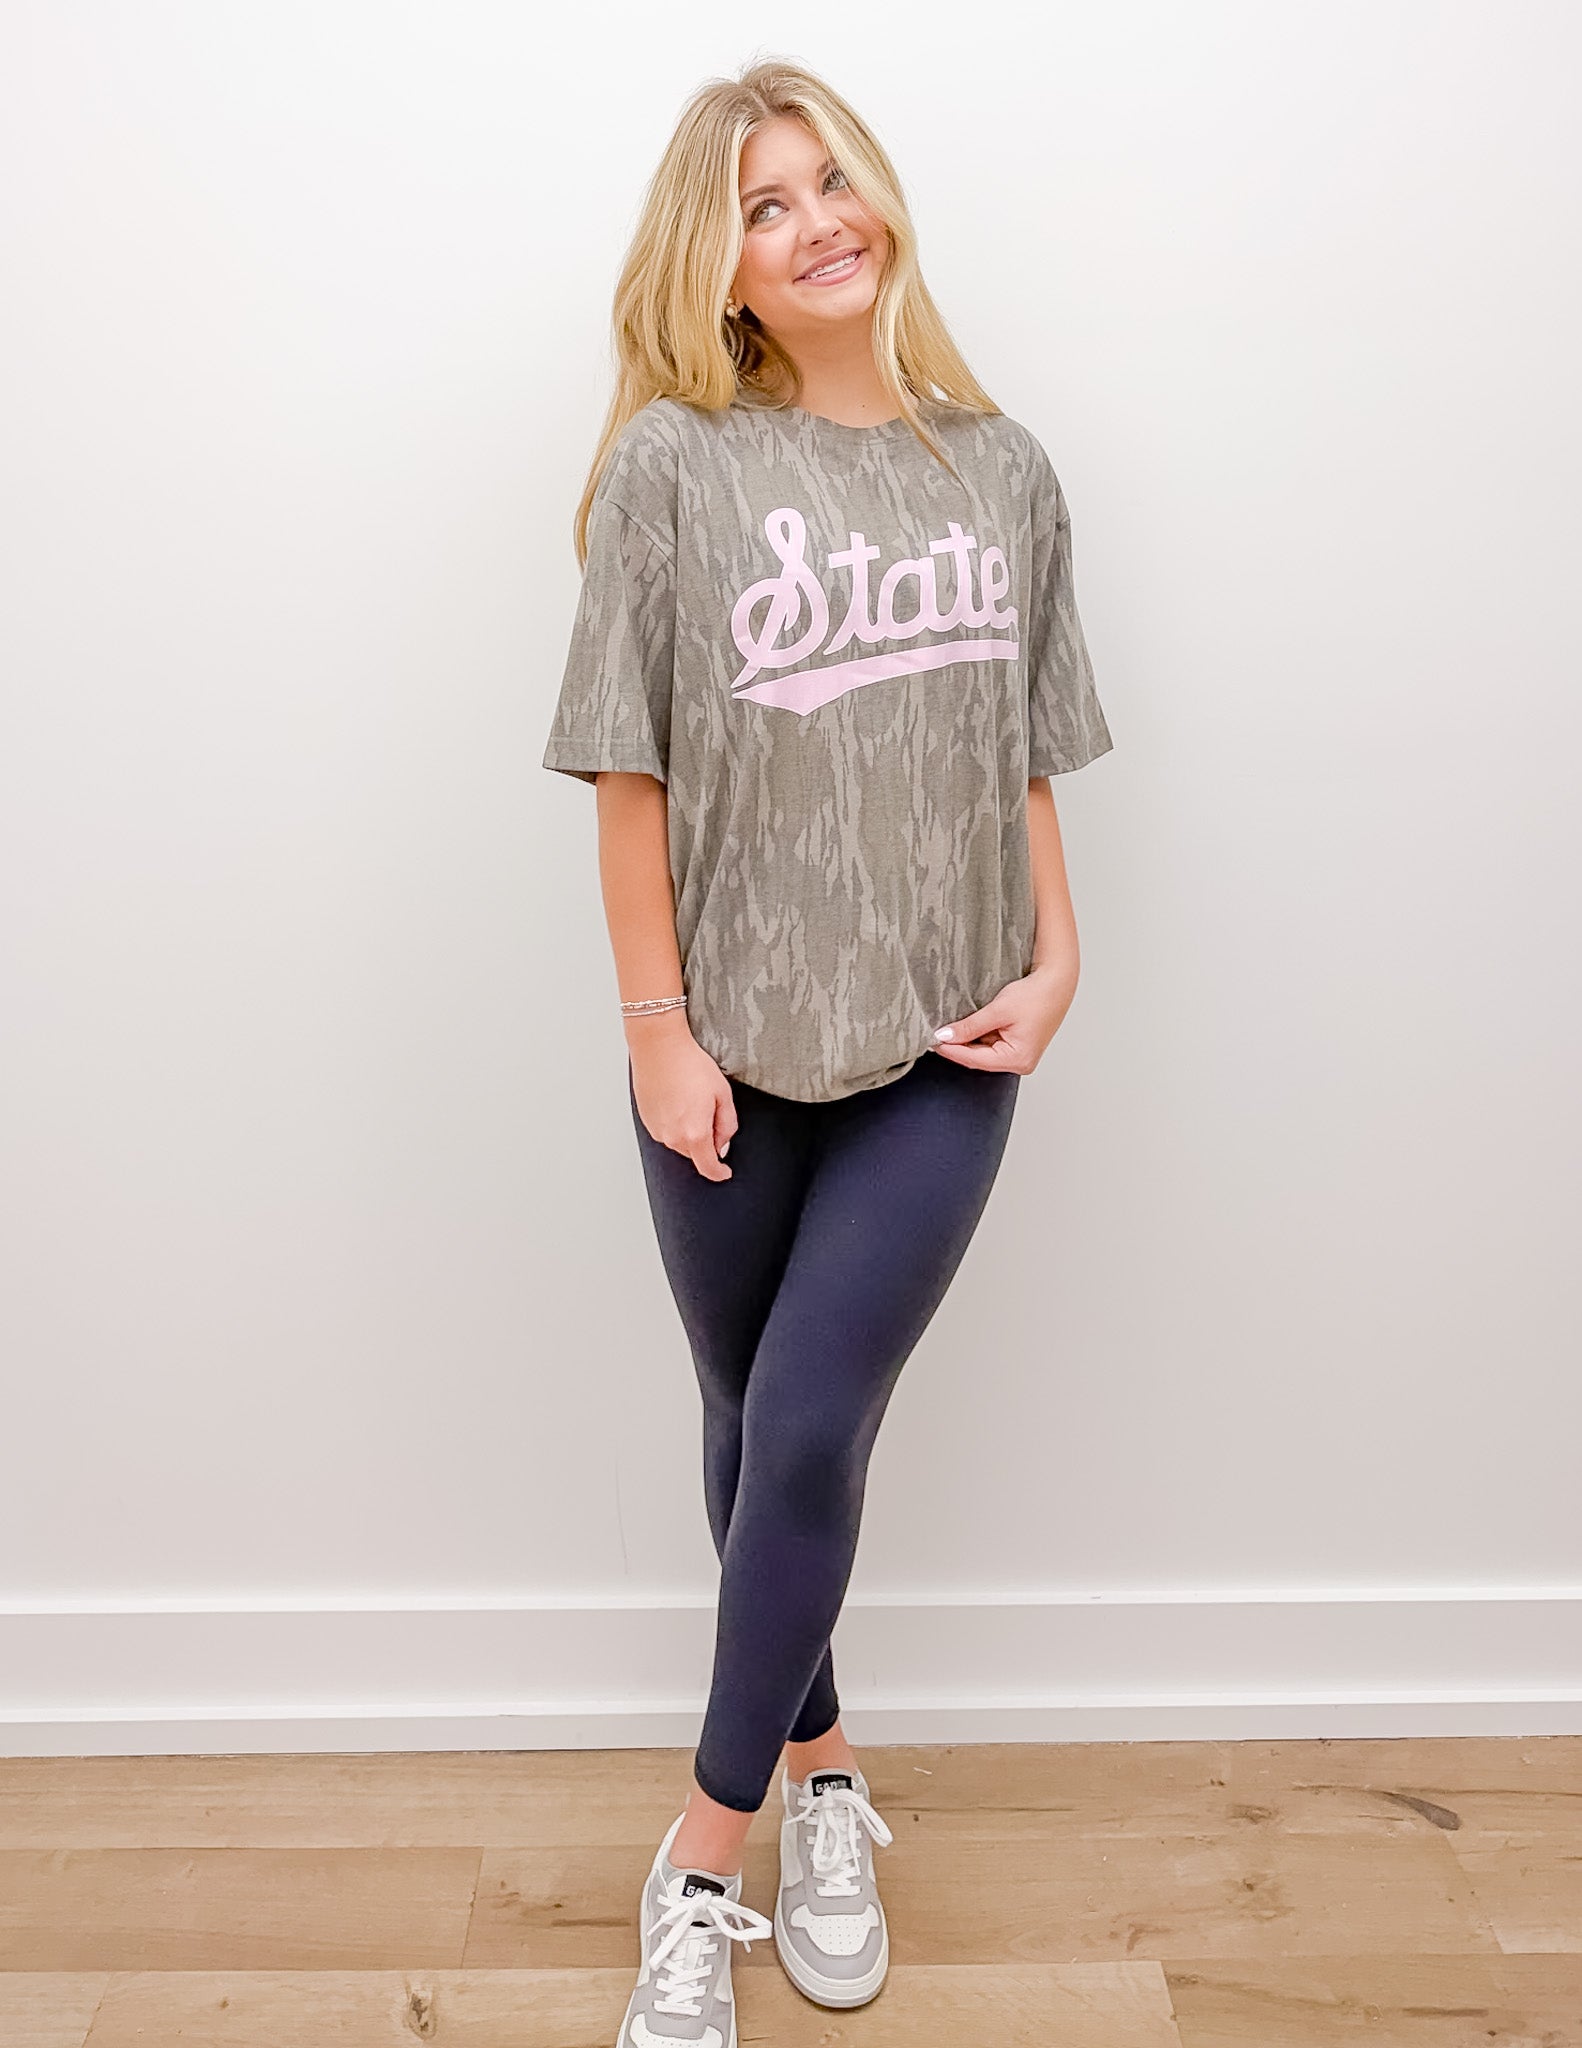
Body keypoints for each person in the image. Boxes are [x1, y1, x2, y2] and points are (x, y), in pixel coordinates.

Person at [542, 55, 1113, 2047]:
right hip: (720, 1041)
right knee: (748, 1421)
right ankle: (827, 1774)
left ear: (879, 199)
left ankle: (699, 1862)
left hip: (943, 1041)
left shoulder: (1000, 469)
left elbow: (1019, 748)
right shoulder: (672, 471)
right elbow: (626, 774)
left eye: (828, 181)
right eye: (761, 206)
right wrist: (655, 1031)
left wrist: (1060, 955)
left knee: (800, 1427)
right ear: (715, 267)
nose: (812, 224)